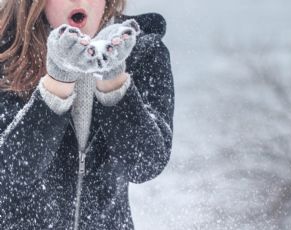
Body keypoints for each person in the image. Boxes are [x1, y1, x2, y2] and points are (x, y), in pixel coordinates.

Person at [0, 0, 174, 229]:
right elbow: (11, 171)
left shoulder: (142, 52)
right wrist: (58, 81)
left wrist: (113, 79)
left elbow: (145, 164)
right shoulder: (6, 54)